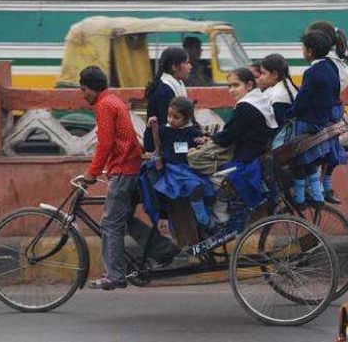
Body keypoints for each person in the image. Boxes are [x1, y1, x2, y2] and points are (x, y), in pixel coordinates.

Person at [78, 66, 179, 290]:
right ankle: (162, 249)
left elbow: (105, 144)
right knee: (122, 219)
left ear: (91, 88)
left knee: (110, 223)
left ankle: (114, 275)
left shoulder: (104, 105)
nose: (83, 95)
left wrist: (92, 173)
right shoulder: (114, 100)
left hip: (123, 170)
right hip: (132, 167)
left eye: (83, 90)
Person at [211, 68, 278, 232]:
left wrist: (211, 139)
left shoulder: (245, 106)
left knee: (212, 180)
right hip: (258, 156)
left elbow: (229, 135)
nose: (231, 90)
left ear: (249, 85)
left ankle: (221, 221)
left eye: (235, 85)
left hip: (247, 161)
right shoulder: (259, 101)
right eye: (229, 86)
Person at [288, 30, 345, 208]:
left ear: (310, 51)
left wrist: (290, 113)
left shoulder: (311, 72)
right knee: (311, 161)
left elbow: (302, 100)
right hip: (323, 121)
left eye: (303, 48)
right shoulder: (332, 68)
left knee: (295, 159)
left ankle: (299, 199)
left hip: (308, 122)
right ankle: (318, 195)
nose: (302, 51)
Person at [144, 97, 217, 233]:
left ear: (186, 118)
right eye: (169, 116)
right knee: (195, 187)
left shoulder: (192, 131)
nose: (171, 120)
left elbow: (201, 143)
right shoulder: (163, 130)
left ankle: (205, 220)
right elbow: (148, 145)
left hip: (190, 169)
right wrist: (149, 128)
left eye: (176, 117)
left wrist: (202, 140)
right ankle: (203, 220)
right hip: (173, 171)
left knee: (209, 191)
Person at [144, 47, 191, 147]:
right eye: (186, 63)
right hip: (165, 143)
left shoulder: (178, 85)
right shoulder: (165, 91)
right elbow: (167, 126)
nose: (190, 67)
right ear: (174, 67)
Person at [260, 53, 298, 126]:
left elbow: (280, 127)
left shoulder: (278, 96)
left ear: (274, 74)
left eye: (264, 73)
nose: (261, 78)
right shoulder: (288, 86)